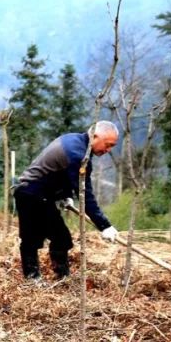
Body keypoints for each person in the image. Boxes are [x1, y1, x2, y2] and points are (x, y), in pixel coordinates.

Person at [13, 120, 119, 282]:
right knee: (33, 239)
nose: (108, 150)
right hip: (31, 193)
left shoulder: (75, 140)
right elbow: (85, 195)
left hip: (40, 194)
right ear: (95, 136)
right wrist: (104, 225)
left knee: (61, 238)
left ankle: (61, 278)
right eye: (108, 144)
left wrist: (65, 195)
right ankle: (34, 279)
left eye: (112, 146)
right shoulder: (78, 155)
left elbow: (62, 173)